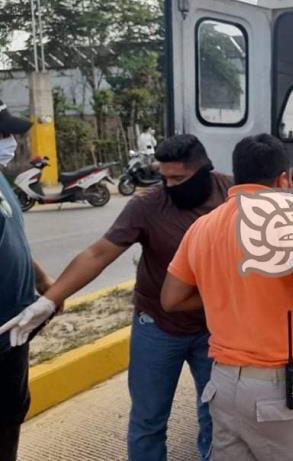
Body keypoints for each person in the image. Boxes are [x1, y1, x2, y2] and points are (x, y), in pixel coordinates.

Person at [0, 134, 232, 461]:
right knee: (148, 420)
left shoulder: (230, 195)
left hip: (214, 327)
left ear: (204, 171)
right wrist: (49, 300)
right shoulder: (148, 205)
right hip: (158, 328)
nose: (170, 185)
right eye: (164, 178)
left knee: (217, 416)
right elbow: (98, 254)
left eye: (178, 178)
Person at [161, 133, 293, 461]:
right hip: (276, 388)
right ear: (284, 178)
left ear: (237, 177)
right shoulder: (289, 216)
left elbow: (171, 299)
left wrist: (227, 292)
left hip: (222, 383)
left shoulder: (203, 226)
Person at [0, 101, 54, 461]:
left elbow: (13, 238)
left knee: (10, 416)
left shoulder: (1, 179)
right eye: (4, 134)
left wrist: (45, 283)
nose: (12, 141)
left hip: (14, 333)